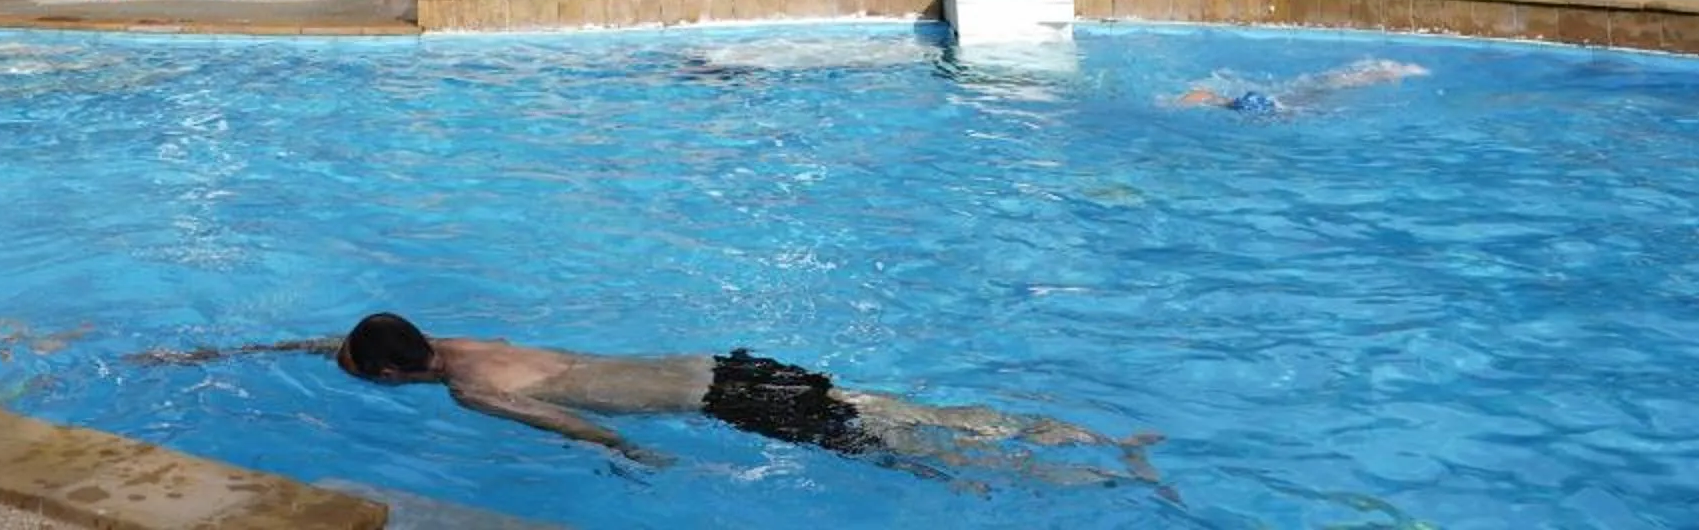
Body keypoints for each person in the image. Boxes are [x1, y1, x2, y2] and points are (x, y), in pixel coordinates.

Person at [147, 316, 1149, 482]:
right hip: (713, 362)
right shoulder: (466, 341)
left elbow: (570, 420)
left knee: (897, 453)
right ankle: (1092, 434)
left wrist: (634, 459)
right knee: (911, 406)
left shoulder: (471, 392)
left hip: (726, 411)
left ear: (389, 377)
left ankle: (1045, 474)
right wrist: (230, 344)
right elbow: (357, 335)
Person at [1176, 57, 1423, 114]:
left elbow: (1204, 95)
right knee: (1328, 85)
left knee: (1329, 86)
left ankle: (1386, 71)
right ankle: (1386, 71)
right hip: (1275, 104)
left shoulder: (1277, 108)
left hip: (1275, 104)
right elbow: (1204, 95)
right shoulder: (1278, 108)